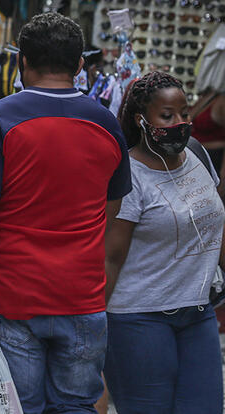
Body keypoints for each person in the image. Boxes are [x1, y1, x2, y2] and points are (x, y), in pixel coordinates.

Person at [0, 12, 132, 413]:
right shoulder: (107, 123)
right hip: (82, 297)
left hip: (14, 296)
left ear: (22, 62)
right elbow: (112, 208)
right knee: (76, 406)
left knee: (19, 406)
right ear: (79, 66)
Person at [105, 72, 225, 413]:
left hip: (198, 312)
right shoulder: (129, 174)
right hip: (138, 318)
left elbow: (215, 221)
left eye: (184, 113)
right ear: (141, 120)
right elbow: (110, 257)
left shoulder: (197, 153)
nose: (180, 122)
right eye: (167, 115)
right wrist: (92, 327)